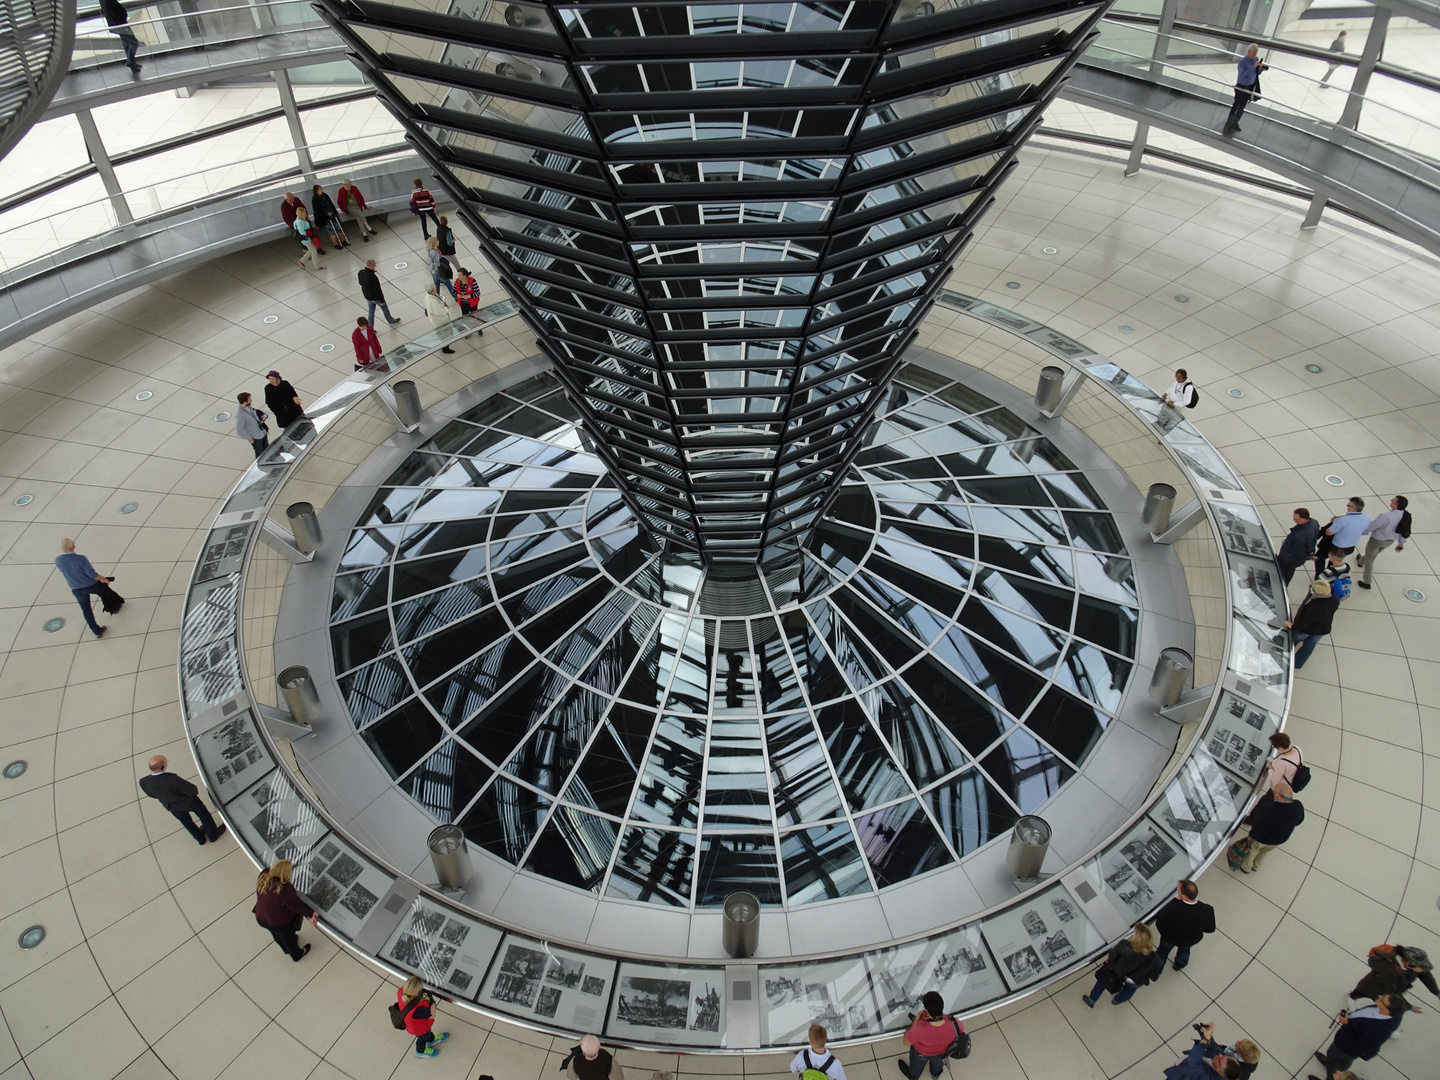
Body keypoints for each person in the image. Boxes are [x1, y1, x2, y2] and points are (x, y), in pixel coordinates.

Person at [138, 755, 226, 845]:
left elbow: (151, 794)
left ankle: (200, 838)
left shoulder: (143, 782)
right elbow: (192, 790)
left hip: (171, 806)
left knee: (186, 822)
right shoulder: (173, 779)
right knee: (203, 814)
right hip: (189, 802)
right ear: (162, 766)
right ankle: (212, 834)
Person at [1313, 994, 1406, 1079]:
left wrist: (1347, 1023)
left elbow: (1363, 1046)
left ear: (1386, 1010)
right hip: (1350, 1050)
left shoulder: (1376, 1031)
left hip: (1345, 1046)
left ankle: (1332, 1070)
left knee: (1334, 1057)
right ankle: (1333, 1065)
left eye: (1382, 1000)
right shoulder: (1395, 1014)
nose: (1380, 996)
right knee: (1344, 1062)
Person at [252, 860, 317, 962]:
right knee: (289, 939)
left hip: (261, 917)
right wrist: (309, 913)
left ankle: (286, 949)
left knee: (277, 936)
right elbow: (294, 904)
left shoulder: (264, 875)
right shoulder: (284, 888)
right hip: (279, 923)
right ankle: (297, 954)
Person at [1081, 922, 1156, 1007]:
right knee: (1128, 992)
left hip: (1117, 972)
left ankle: (1092, 1000)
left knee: (1102, 982)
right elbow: (1154, 976)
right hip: (1135, 980)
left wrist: (1109, 967)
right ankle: (1116, 1000)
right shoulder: (1153, 956)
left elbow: (1112, 956)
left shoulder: (1124, 945)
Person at [1151, 880, 1216, 977]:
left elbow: (1160, 922)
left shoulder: (1172, 908)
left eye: (1179, 892)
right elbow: (1210, 929)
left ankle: (1156, 970)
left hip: (1169, 939)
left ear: (1185, 896)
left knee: (1162, 953)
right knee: (1184, 951)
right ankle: (1179, 965)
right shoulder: (1207, 910)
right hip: (1190, 940)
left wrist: (1175, 900)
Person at [54, 538, 114, 638]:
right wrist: (104, 579)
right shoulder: (81, 559)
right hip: (91, 584)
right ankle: (113, 607)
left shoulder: (58, 560)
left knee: (86, 610)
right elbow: (91, 574)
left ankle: (96, 631)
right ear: (71, 547)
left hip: (77, 589)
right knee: (107, 593)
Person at [1239, 782, 1303, 872]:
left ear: (1279, 796)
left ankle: (1246, 867)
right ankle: (1256, 866)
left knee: (1253, 850)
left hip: (1265, 838)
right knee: (1264, 852)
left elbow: (1262, 825)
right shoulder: (1298, 805)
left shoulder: (1271, 808)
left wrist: (1252, 835)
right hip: (1281, 839)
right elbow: (1299, 821)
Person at [898, 991, 962, 1079]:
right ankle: (935, 1075)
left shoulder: (919, 1028)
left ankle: (913, 1076)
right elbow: (959, 1032)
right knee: (938, 1065)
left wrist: (915, 1021)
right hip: (942, 1053)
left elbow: (906, 1041)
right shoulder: (955, 1023)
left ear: (927, 1010)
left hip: (921, 1054)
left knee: (916, 1067)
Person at [1348, 944, 1439, 1006]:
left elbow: (1426, 976)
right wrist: (1408, 1007)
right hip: (1376, 984)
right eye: (1422, 967)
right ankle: (1351, 998)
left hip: (1390, 985)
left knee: (1385, 1004)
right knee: (1364, 992)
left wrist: (1437, 993)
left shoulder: (1412, 966)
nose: (1423, 970)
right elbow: (1394, 992)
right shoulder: (1390, 969)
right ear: (1409, 964)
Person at [1355, 495, 1409, 589]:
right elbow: (1405, 530)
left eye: (1392, 501)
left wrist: (1363, 532)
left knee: (1370, 559)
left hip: (1377, 540)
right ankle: (1360, 561)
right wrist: (1401, 543)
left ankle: (1367, 582)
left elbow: (1373, 526)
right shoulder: (1406, 516)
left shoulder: (1386, 516)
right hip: (1390, 541)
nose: (1390, 501)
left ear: (1396, 505)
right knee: (1372, 554)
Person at [1285, 578, 1339, 669]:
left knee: (1291, 641)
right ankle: (1297, 664)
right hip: (1323, 629)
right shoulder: (1335, 599)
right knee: (1308, 647)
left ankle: (1283, 654)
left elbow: (1306, 621)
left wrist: (1293, 626)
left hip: (1306, 630)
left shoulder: (1315, 604)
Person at [1313, 497, 1369, 575]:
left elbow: (1328, 532)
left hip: (1336, 547)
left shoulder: (1343, 520)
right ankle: (1329, 574)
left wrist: (1335, 522)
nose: (1347, 506)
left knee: (1319, 557)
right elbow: (1363, 531)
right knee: (1334, 562)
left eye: (1348, 505)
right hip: (1350, 547)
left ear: (1353, 508)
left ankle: (1320, 577)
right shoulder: (1366, 517)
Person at [1165, 1023, 1242, 1080]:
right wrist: (1205, 1031)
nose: (1219, 1055)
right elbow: (1212, 1045)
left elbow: (1193, 1062)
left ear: (1219, 1072)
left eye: (1219, 1060)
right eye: (1224, 1056)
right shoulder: (1220, 1056)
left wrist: (1205, 1040)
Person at [397, 976, 449, 1058]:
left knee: (427, 1034)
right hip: (420, 1028)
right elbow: (431, 1013)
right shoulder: (418, 1010)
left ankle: (431, 1039)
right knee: (422, 1039)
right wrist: (432, 1003)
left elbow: (425, 992)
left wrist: (431, 1003)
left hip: (413, 1025)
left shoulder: (401, 992)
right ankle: (420, 1051)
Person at [1223, 45, 1266, 134]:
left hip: (1249, 87)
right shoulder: (1242, 62)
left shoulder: (1256, 59)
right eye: (1253, 53)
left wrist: (1260, 68)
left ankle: (1235, 122)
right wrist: (1253, 67)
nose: (1255, 55)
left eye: (1256, 53)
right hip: (1241, 86)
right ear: (1249, 52)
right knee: (1236, 105)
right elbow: (1243, 74)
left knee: (1242, 106)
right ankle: (1229, 124)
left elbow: (1257, 72)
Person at [1277, 508, 1320, 586]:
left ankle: (1282, 587)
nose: (1293, 520)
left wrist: (1306, 556)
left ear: (1303, 519)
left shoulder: (1300, 536)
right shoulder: (1314, 522)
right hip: (1296, 555)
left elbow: (1298, 552)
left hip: (1289, 559)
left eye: (1296, 519)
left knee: (1285, 574)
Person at [100, 0, 142, 74]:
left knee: (126, 44)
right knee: (133, 43)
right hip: (121, 24)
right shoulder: (109, 1)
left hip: (115, 25)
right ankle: (130, 62)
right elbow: (116, 13)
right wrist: (123, 18)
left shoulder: (103, 1)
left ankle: (132, 63)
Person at [359, 259, 401, 327]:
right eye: (374, 265)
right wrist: (381, 300)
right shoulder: (373, 277)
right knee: (384, 308)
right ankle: (391, 320)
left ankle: (370, 328)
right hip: (375, 298)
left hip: (367, 296)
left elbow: (360, 283)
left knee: (371, 312)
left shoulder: (361, 272)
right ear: (372, 266)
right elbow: (377, 290)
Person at [1156, 368, 1196, 432]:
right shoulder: (1178, 381)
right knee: (1162, 415)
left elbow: (1186, 401)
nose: (1176, 379)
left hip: (1177, 406)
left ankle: (1163, 433)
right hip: (1170, 402)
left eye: (1178, 378)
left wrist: (1174, 404)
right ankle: (1158, 427)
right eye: (1176, 377)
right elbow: (1172, 387)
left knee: (1170, 422)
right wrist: (1166, 393)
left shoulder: (1188, 387)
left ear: (1184, 378)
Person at [310, 183, 348, 249]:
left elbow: (331, 204)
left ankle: (343, 240)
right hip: (324, 218)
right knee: (331, 231)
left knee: (338, 228)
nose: (321, 191)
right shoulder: (315, 199)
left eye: (321, 189)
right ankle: (335, 243)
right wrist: (326, 213)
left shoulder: (325, 195)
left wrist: (335, 212)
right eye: (319, 190)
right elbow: (317, 210)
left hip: (332, 215)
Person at [235, 392, 269, 459]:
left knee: (267, 450)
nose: (251, 400)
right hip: (256, 438)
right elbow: (238, 431)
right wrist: (249, 438)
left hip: (262, 432)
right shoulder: (240, 415)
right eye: (249, 399)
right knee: (260, 455)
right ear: (245, 402)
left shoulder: (249, 407)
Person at [425, 285, 457, 353]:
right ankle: (445, 348)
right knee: (445, 333)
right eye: (434, 288)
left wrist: (443, 304)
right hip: (440, 320)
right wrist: (445, 308)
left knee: (444, 333)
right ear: (432, 291)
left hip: (440, 318)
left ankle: (445, 345)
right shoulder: (432, 301)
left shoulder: (431, 295)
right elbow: (439, 311)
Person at [292, 205, 325, 270]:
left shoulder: (299, 220)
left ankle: (302, 261)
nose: (306, 214)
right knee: (314, 252)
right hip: (306, 239)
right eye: (304, 213)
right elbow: (302, 232)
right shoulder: (300, 222)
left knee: (312, 249)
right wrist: (310, 234)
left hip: (307, 239)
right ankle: (316, 266)